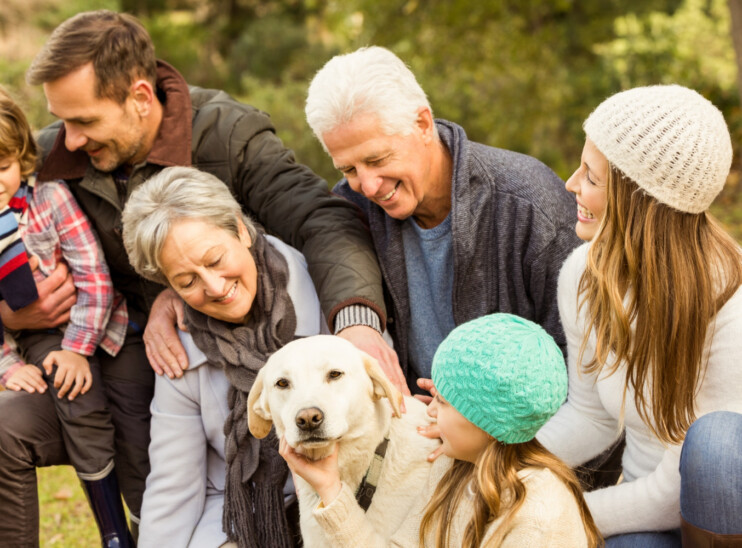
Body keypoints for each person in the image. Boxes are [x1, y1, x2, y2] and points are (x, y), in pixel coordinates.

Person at [0, 10, 390, 543]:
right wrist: (8, 310)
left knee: (183, 482)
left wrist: (354, 320)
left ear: (141, 97)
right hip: (103, 365)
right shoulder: (54, 157)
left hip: (200, 363)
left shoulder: (228, 135)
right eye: (61, 119)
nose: (67, 140)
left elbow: (321, 219)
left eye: (86, 122)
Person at [0, 78, 133, 546]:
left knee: (116, 414)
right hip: (39, 345)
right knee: (70, 395)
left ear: (22, 154)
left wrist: (79, 347)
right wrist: (7, 365)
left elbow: (94, 276)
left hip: (106, 328)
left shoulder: (49, 197)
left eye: (3, 165)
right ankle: (113, 533)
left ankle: (139, 527)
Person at [305, 46, 581, 391]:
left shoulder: (527, 202)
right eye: (348, 168)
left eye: (377, 159)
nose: (368, 185)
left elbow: (583, 370)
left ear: (422, 124)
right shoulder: (350, 205)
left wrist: (476, 430)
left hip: (523, 440)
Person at [535, 85, 742, 546]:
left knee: (717, 442)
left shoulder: (732, 299)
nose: (571, 184)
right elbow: (591, 416)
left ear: (639, 202)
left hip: (717, 513)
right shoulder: (583, 276)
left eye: (590, 176)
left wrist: (551, 518)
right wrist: (505, 466)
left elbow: (691, 482)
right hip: (645, 507)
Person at [120, 166, 327, 547]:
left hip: (336, 501)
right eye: (187, 281)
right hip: (237, 513)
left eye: (214, 260)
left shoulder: (328, 290)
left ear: (240, 229)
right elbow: (173, 486)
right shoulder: (180, 348)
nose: (214, 287)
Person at [281, 313, 602, 547]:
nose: (428, 409)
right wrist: (330, 489)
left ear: (485, 422)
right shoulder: (453, 471)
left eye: (443, 402)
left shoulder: (539, 520)